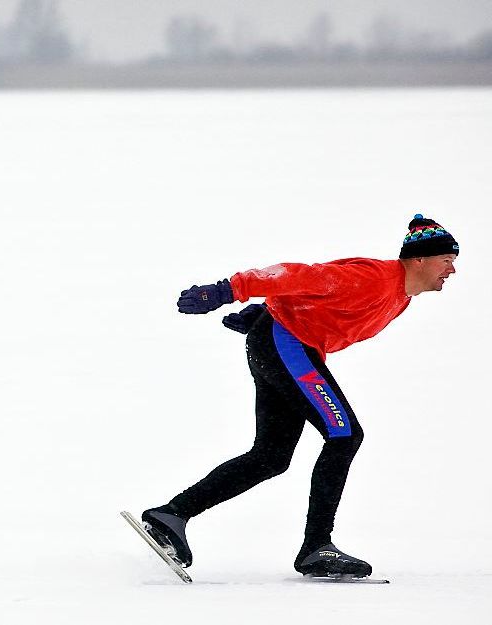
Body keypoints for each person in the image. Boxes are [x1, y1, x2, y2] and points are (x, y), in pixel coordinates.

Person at [142, 214, 459, 578]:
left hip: (281, 340)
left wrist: (267, 311)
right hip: (286, 344)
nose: (451, 271)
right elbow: (298, 274)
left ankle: (171, 515)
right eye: (446, 261)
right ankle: (316, 547)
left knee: (272, 456)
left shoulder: (400, 297)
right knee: (344, 435)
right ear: (419, 260)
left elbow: (321, 303)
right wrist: (228, 290)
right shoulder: (374, 278)